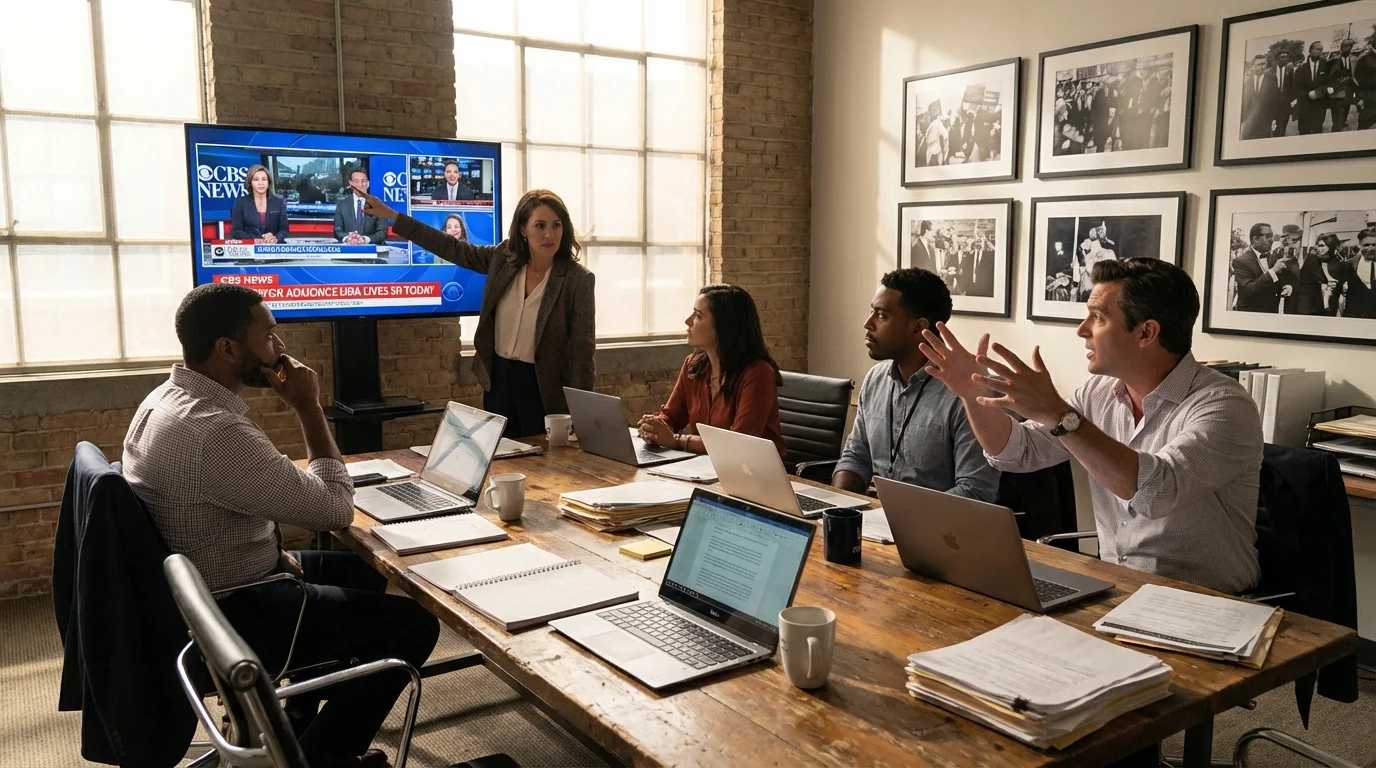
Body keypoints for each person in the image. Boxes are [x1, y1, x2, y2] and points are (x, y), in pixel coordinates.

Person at [122, 284, 438, 767]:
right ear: (228, 349)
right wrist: (308, 406)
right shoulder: (217, 431)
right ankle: (317, 759)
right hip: (238, 610)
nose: (280, 348)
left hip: (200, 595)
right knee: (415, 627)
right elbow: (335, 511)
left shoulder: (165, 398)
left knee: (362, 573)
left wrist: (274, 552)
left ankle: (295, 722)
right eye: (269, 335)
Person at [919, 258, 1263, 594]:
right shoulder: (1098, 393)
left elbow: (1157, 492)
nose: (1082, 330)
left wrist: (1059, 415)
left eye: (1097, 317)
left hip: (1206, 604)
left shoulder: (1225, 405)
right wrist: (971, 394)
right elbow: (1017, 454)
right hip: (1117, 589)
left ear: (1146, 332)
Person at [364, 188, 595, 437]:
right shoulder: (504, 258)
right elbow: (451, 247)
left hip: (544, 388)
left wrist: (580, 415)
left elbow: (583, 353)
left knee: (546, 468)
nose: (549, 234)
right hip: (498, 381)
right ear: (523, 230)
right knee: (503, 462)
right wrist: (393, 217)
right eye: (540, 225)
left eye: (556, 225)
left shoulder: (576, 279)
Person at [833, 269, 999, 501]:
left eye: (881, 315)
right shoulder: (875, 379)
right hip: (878, 523)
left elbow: (974, 492)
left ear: (918, 327)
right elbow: (856, 458)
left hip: (939, 530)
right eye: (872, 311)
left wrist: (901, 518)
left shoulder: (969, 393)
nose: (867, 324)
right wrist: (839, 507)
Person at [636, 284, 786, 456]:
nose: (688, 321)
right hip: (704, 467)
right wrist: (654, 428)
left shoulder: (758, 373)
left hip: (754, 473)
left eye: (698, 315)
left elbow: (739, 443)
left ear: (723, 327)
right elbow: (671, 416)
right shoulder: (693, 365)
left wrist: (676, 440)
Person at [1231, 222, 1294, 313]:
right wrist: (1273, 271)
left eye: (1271, 236)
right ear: (1255, 239)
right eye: (1268, 236)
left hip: (1271, 313)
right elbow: (1249, 289)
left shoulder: (1272, 257)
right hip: (1251, 315)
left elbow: (1275, 281)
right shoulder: (1240, 261)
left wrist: (1285, 287)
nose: (1271, 240)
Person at [229, 164, 289, 243]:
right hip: (250, 249)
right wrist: (255, 239)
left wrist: (275, 238)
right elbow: (236, 231)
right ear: (250, 182)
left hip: (273, 248)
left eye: (264, 179)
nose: (260, 183)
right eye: (256, 179)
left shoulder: (279, 203)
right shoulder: (241, 202)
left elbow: (284, 230)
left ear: (268, 182)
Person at [1294, 233, 1347, 316]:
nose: (1318, 248)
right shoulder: (1311, 261)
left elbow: (1341, 286)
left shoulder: (1339, 264)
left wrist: (1339, 286)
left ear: (1331, 246)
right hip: (1310, 308)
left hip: (1329, 309)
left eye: (1321, 245)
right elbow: (1302, 284)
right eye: (1317, 245)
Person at [333, 169, 389, 244]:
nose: (360, 185)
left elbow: (382, 233)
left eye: (363, 181)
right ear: (350, 183)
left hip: (372, 250)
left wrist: (365, 239)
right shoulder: (342, 205)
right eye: (356, 181)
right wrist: (348, 238)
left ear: (368, 183)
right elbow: (338, 231)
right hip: (348, 251)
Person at [1294, 41, 1332, 135]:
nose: (1320, 52)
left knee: (1317, 132)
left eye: (1321, 50)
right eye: (1318, 49)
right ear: (1311, 50)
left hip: (1319, 105)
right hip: (1304, 106)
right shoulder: (1300, 69)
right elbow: (1295, 88)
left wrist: (1319, 92)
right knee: (1303, 132)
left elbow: (1330, 83)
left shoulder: (1327, 66)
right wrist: (1308, 94)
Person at [1241, 55, 1276, 140]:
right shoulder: (1246, 81)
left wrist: (1274, 119)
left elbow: (1274, 100)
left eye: (1264, 64)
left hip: (1265, 121)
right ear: (1254, 66)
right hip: (1249, 122)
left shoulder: (1272, 79)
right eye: (1260, 64)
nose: (1263, 67)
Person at [1343, 227, 1376, 318]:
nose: (1371, 248)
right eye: (1366, 245)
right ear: (1360, 245)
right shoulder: (1349, 265)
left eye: (1374, 244)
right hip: (1357, 317)